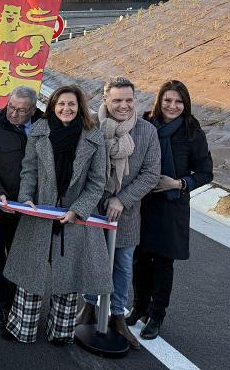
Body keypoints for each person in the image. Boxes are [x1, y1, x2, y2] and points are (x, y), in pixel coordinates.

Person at [2, 85, 112, 345]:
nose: (66, 108)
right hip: (39, 211)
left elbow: (97, 183)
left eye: (71, 104)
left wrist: (79, 210)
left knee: (68, 274)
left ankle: (61, 331)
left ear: (80, 107)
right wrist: (26, 198)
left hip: (74, 217)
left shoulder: (93, 137)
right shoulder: (40, 132)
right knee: (31, 272)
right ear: (53, 106)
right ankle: (23, 326)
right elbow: (29, 170)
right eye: (61, 104)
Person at [127, 80, 213, 339]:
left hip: (172, 205)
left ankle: (156, 315)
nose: (172, 106)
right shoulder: (145, 125)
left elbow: (205, 172)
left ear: (185, 103)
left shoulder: (192, 132)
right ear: (159, 100)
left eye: (178, 101)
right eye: (167, 100)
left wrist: (177, 183)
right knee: (139, 257)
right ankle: (138, 306)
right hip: (142, 202)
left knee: (163, 262)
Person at [80, 76, 161, 350]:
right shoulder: (91, 125)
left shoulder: (147, 131)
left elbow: (151, 174)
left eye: (128, 100)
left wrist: (121, 199)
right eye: (117, 100)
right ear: (105, 99)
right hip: (92, 207)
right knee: (93, 259)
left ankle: (117, 316)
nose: (123, 105)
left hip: (126, 212)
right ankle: (89, 307)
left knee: (123, 265)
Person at [0, 86, 42, 328]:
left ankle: (17, 301)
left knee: (20, 258)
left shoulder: (44, 127)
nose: (13, 114)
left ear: (33, 110)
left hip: (29, 209)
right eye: (10, 107)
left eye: (20, 110)